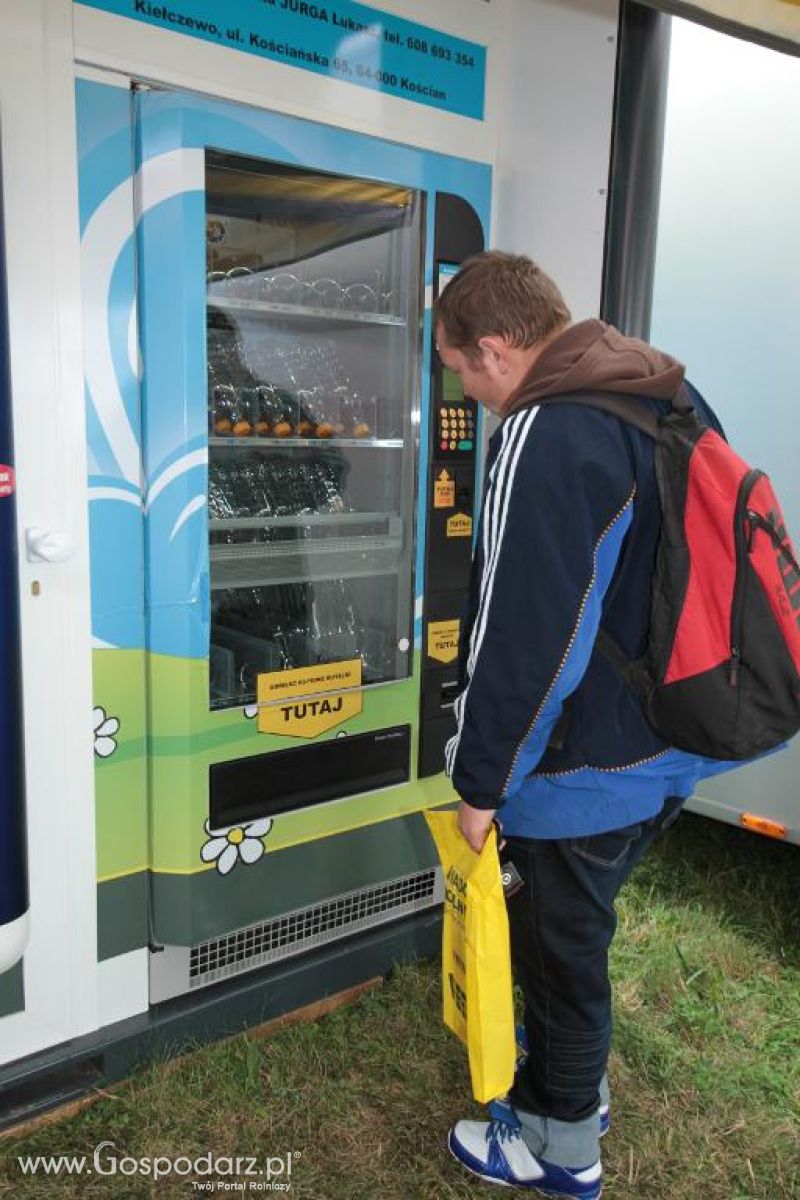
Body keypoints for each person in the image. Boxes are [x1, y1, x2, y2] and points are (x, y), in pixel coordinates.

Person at [435, 252, 740, 1198]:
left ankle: (558, 1148)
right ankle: (577, 1090)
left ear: (495, 348)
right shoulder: (660, 390)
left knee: (560, 957)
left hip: (585, 768)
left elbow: (532, 642)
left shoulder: (548, 430)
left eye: (462, 374)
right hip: (672, 735)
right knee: (579, 938)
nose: (472, 400)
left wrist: (481, 786)